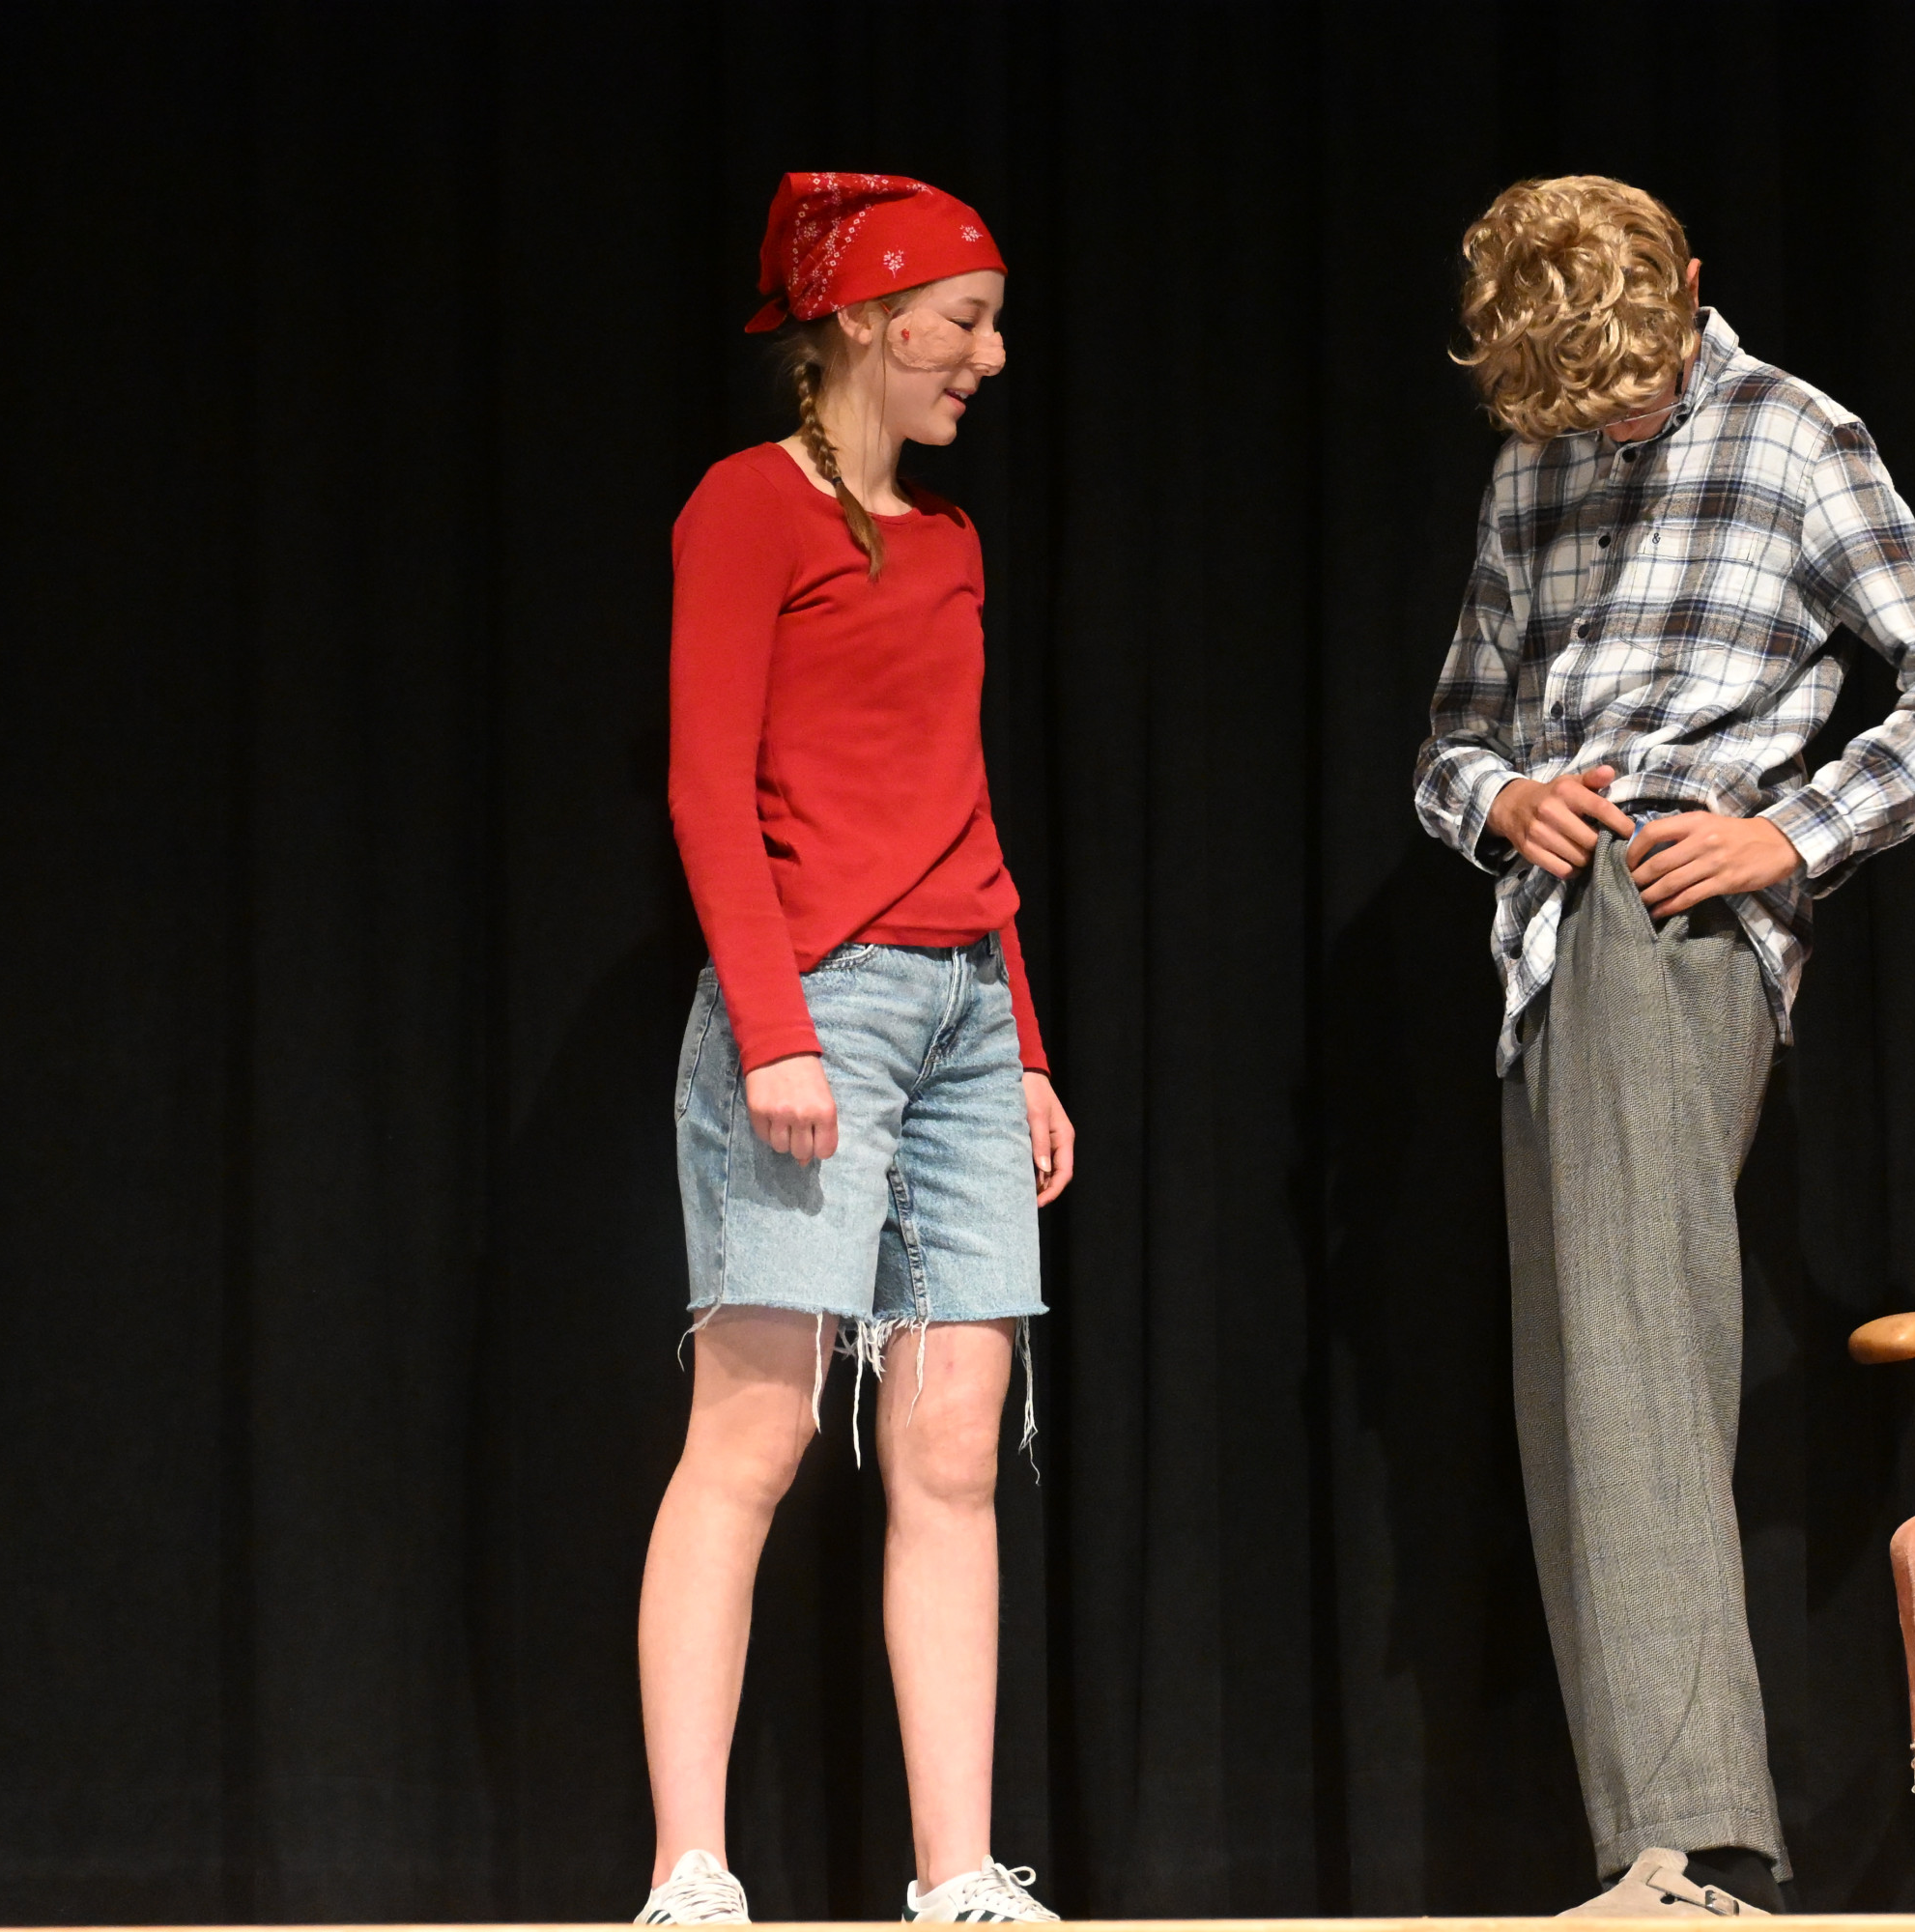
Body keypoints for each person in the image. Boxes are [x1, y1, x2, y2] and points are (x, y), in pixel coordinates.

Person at [1413, 176, 1915, 1918]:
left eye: (1632, 387)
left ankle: (1706, 1848)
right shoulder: (1530, 466)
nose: (1611, 422)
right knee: (1578, 1390)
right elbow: (1453, 736)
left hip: (1670, 917)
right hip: (1543, 935)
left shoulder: (1791, 438)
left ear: (1690, 286)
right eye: (1580, 402)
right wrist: (1502, 801)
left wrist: (1792, 835)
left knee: (1632, 1362)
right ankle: (1658, 1850)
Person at [638, 172, 1072, 1928]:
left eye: (990, 325)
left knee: (954, 1447)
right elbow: (705, 788)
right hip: (816, 1003)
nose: (987, 356)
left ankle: (957, 1874)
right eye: (962, 322)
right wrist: (773, 1029)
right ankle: (689, 1865)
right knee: (756, 1429)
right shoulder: (749, 505)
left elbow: (966, 808)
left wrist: (1025, 1047)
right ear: (869, 321)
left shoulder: (951, 542)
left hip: (965, 1008)